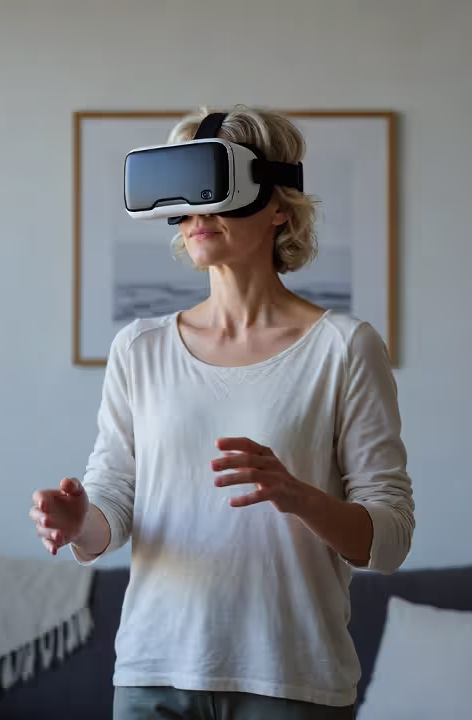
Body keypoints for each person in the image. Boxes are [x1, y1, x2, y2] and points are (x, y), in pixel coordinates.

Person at [29, 106, 414, 720]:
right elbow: (114, 508)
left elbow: (390, 540)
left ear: (280, 206)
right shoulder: (140, 348)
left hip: (293, 681)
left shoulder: (343, 347)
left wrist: (299, 496)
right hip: (153, 675)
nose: (198, 214)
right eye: (184, 197)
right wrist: (79, 523)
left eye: (219, 190)